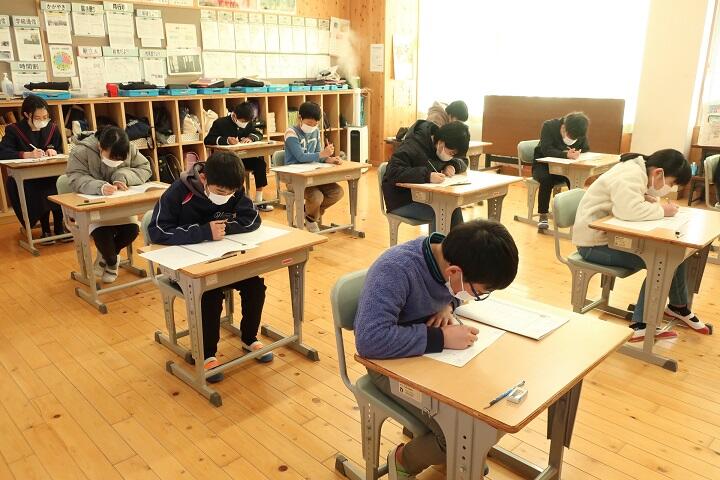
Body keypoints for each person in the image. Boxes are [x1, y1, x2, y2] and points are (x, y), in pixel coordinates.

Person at [354, 220, 519, 479]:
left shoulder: (450, 258)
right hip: (388, 367)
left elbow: (454, 292)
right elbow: (369, 340)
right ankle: (404, 460)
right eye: (479, 292)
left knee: (488, 407)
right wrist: (441, 338)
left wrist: (448, 305)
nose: (476, 297)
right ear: (454, 271)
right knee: (457, 433)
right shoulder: (396, 269)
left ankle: (458, 454)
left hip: (430, 360)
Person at [148, 151, 271, 382]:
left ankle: (249, 337)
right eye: (220, 192)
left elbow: (253, 219)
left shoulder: (232, 187)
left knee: (255, 286)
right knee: (209, 294)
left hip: (222, 260)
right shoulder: (179, 191)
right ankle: (207, 354)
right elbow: (157, 230)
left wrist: (224, 228)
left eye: (231, 193)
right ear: (204, 178)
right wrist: (204, 231)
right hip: (184, 266)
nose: (226, 197)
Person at [573, 149, 710, 342]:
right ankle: (641, 325)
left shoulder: (638, 171)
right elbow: (628, 211)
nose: (669, 188)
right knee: (661, 262)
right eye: (671, 183)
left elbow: (626, 203)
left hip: (607, 237)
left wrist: (646, 200)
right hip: (593, 245)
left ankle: (677, 307)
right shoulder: (630, 174)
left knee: (675, 253)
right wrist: (661, 210)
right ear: (659, 173)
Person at [66, 126, 152, 283]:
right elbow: (75, 177)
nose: (115, 162)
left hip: (121, 206)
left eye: (119, 160)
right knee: (103, 235)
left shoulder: (129, 148)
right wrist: (99, 187)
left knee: (132, 230)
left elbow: (145, 168)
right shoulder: (81, 151)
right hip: (94, 208)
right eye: (111, 157)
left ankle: (105, 258)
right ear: (100, 146)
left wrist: (122, 175)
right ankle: (111, 261)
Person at [0, 94, 68, 243]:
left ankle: (59, 226)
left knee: (60, 183)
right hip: (27, 178)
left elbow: (59, 148)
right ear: (26, 114)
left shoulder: (52, 128)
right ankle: (45, 229)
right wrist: (25, 154)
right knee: (38, 189)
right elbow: (3, 152)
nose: (42, 121)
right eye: (38, 117)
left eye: (45, 117)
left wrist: (53, 151)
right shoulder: (14, 130)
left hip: (50, 173)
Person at [383, 120, 470, 232]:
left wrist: (453, 165)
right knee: (441, 211)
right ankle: (436, 244)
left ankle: (456, 243)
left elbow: (463, 160)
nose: (451, 156)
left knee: (452, 208)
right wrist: (427, 176)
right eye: (451, 153)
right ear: (441, 143)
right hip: (402, 200)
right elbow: (393, 172)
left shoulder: (444, 146)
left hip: (425, 197)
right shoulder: (412, 145)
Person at [283, 101, 343, 232]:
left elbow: (318, 155)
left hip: (313, 175)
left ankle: (308, 215)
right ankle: (311, 218)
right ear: (300, 118)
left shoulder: (315, 131)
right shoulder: (291, 132)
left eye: (315, 124)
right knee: (316, 197)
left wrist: (329, 159)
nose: (312, 127)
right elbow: (300, 157)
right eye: (309, 124)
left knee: (337, 192)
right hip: (295, 178)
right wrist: (322, 154)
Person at [203, 101, 274, 212]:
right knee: (234, 171)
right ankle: (237, 202)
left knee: (260, 164)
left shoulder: (248, 123)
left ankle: (259, 200)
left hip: (243, 158)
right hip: (226, 161)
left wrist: (251, 138)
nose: (245, 124)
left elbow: (258, 134)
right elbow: (208, 140)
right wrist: (226, 140)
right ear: (234, 116)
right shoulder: (220, 123)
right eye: (243, 121)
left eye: (247, 122)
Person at [533, 112, 590, 230]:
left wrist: (578, 152)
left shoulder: (579, 130)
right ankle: (543, 214)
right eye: (570, 135)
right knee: (546, 179)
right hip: (543, 165)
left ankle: (579, 213)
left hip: (565, 167)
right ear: (565, 127)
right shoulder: (549, 126)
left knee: (575, 178)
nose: (572, 138)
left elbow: (585, 148)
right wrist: (565, 155)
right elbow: (546, 150)